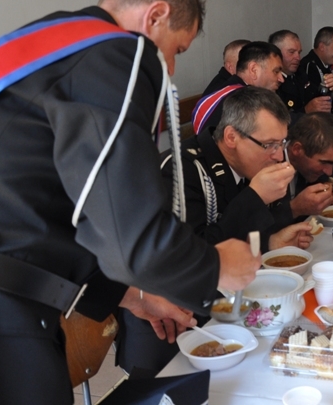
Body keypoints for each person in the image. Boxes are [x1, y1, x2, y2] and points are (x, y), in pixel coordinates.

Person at [0, 0, 261, 404]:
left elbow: (46, 210)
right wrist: (217, 266)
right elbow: (128, 226)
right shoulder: (120, 53)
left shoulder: (54, 49)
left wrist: (130, 295)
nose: (170, 68)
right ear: (155, 16)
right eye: (177, 50)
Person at [117, 87, 311, 373]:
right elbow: (196, 253)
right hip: (169, 326)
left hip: (225, 312)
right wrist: (255, 197)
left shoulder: (248, 167)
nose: (278, 156)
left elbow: (240, 237)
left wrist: (270, 241)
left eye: (282, 143)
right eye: (269, 144)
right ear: (231, 137)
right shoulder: (179, 171)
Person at [192, 41, 285, 134]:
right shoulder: (246, 100)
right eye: (276, 71)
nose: (281, 79)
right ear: (253, 70)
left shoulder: (226, 91)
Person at [272, 112, 333, 219]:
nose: (329, 172)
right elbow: (254, 224)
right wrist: (294, 209)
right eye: (324, 162)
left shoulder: (309, 167)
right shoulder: (268, 166)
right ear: (297, 149)